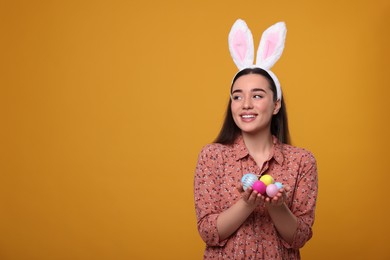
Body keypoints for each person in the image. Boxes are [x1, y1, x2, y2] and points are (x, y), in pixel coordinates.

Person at [194, 20, 318, 259]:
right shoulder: (212, 156)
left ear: (276, 105)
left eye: (257, 95)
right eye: (237, 96)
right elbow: (209, 232)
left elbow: (299, 238)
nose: (246, 104)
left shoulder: (302, 161)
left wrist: (277, 206)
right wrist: (247, 203)